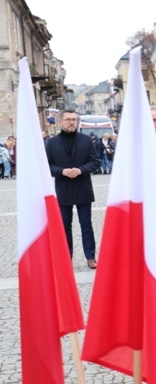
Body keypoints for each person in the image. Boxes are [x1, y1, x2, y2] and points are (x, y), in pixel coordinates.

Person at [45, 110, 101, 269]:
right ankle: (66, 257)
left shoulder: (86, 140)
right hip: (63, 189)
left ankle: (90, 257)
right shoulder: (51, 142)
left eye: (74, 120)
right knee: (64, 225)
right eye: (68, 119)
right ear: (61, 122)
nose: (71, 122)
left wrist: (81, 170)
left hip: (83, 188)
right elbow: (46, 165)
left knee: (86, 225)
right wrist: (61, 171)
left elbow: (95, 161)